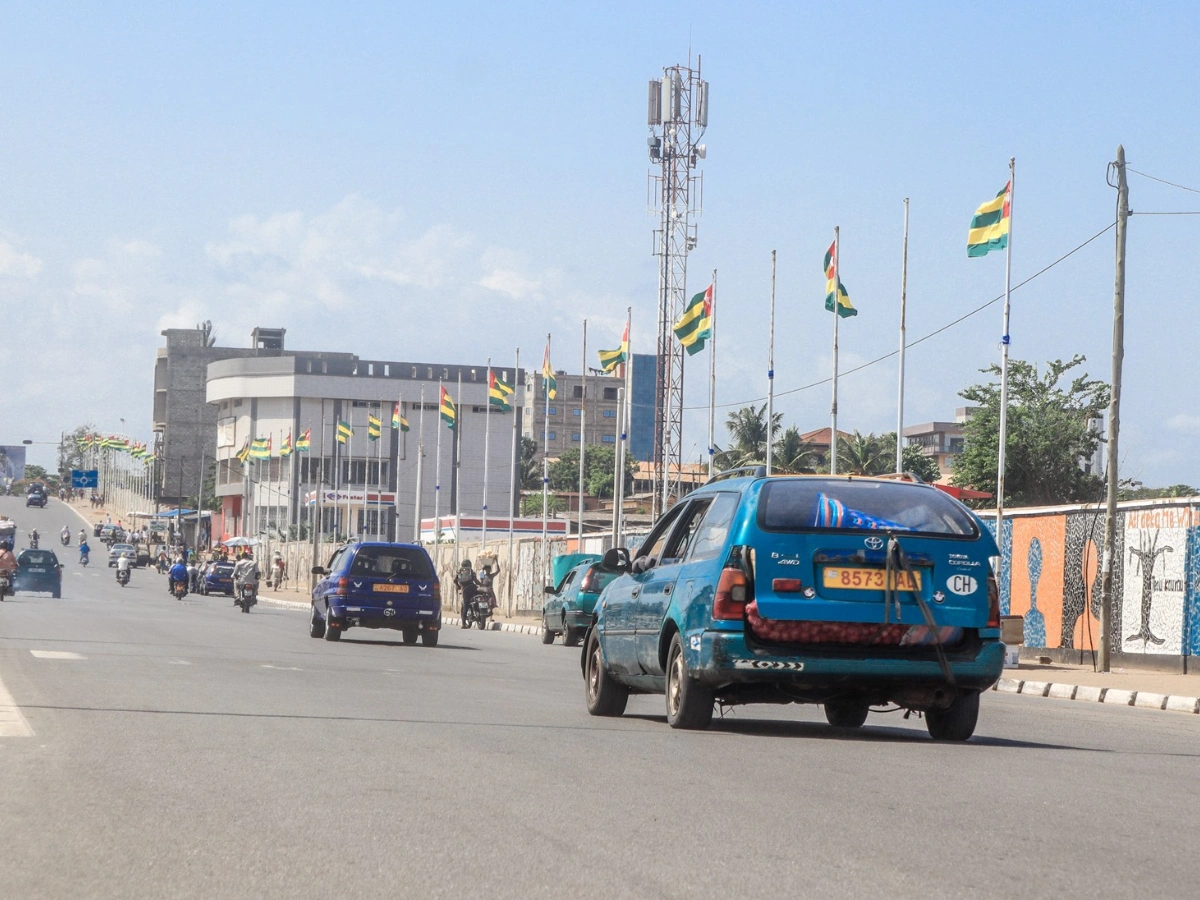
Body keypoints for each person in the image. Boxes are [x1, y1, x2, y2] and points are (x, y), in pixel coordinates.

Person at [455, 559, 478, 627]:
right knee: (478, 597)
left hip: (465, 589)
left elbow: (454, 580)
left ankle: (463, 624)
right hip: (473, 587)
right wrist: (482, 585)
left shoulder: (460, 572)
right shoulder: (471, 571)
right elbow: (475, 580)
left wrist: (458, 586)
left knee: (466, 605)